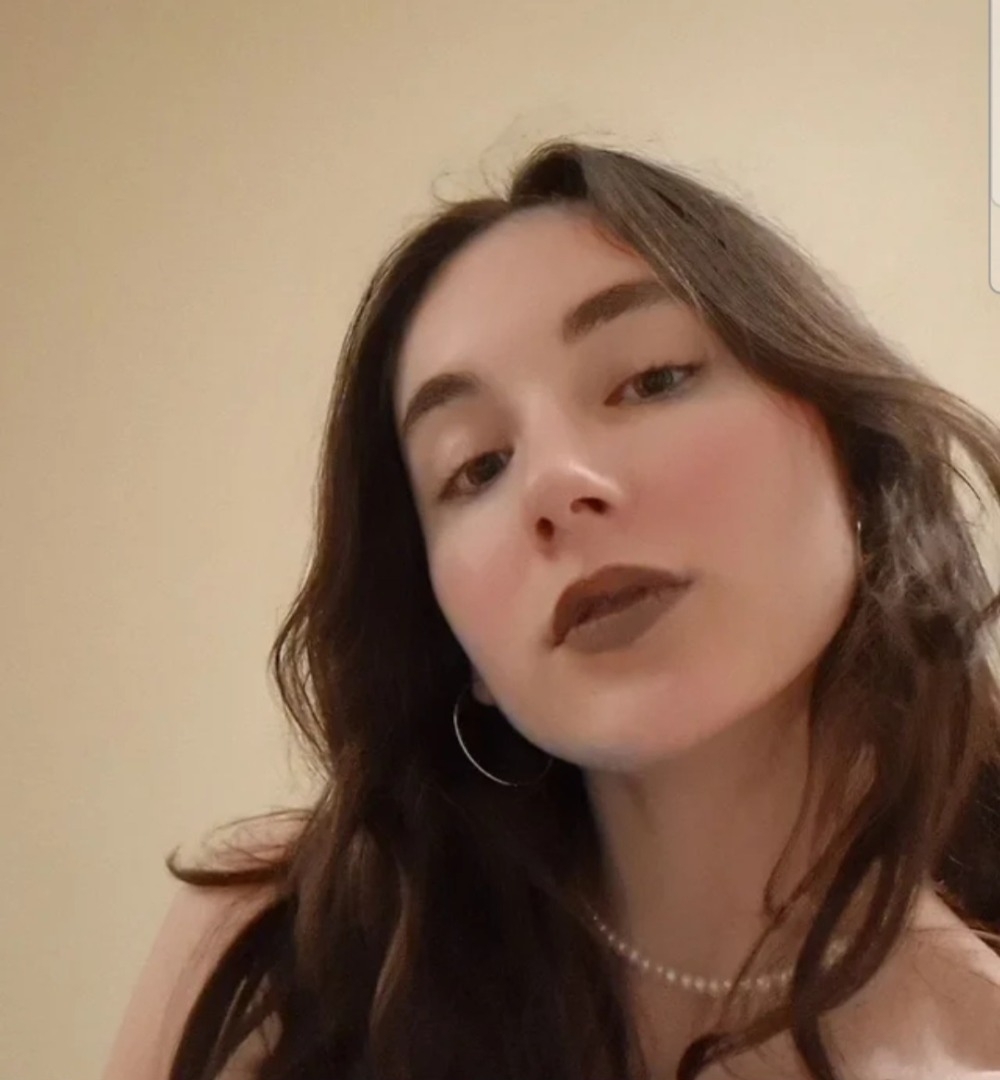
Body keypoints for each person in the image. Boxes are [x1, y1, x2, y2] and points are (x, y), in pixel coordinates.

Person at [101, 138, 1000, 1080]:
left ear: (854, 463)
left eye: (653, 379)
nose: (556, 483)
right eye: (476, 466)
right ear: (458, 647)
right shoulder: (283, 962)